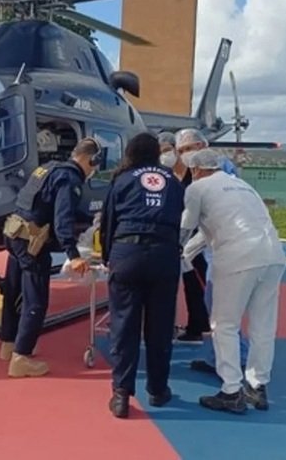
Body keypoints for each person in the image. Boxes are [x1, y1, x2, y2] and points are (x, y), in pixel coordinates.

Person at [181, 148, 286, 413]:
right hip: (273, 255)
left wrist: (175, 250)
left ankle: (231, 390)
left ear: (196, 169)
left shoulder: (197, 188)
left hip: (237, 258)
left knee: (224, 324)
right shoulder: (243, 186)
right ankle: (257, 385)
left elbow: (186, 227)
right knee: (263, 325)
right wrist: (188, 253)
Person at [99, 132, 185, 418]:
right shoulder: (172, 180)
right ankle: (158, 389)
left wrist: (108, 257)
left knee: (124, 326)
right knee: (160, 327)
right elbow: (180, 219)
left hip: (127, 253)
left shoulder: (122, 179)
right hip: (164, 254)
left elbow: (108, 221)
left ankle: (121, 394)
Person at [0, 138, 100, 377]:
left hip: (13, 233)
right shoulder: (70, 179)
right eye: (95, 165)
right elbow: (62, 219)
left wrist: (90, 217)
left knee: (13, 291)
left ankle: (9, 344)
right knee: (36, 300)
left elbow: (42, 203)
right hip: (32, 243)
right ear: (90, 160)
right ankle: (21, 358)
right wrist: (73, 255)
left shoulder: (48, 168)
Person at [175, 128, 249, 374]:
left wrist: (183, 247)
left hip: (224, 248)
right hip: (219, 247)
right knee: (215, 305)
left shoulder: (219, 171)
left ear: (201, 146)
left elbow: (201, 220)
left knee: (221, 309)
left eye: (188, 149)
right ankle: (220, 356)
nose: (184, 155)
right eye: (181, 151)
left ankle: (235, 362)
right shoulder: (203, 176)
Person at [158, 131, 210, 342]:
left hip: (197, 238)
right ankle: (183, 325)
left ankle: (200, 325)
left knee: (197, 282)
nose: (166, 156)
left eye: (168, 150)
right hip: (175, 237)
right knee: (175, 284)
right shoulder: (167, 177)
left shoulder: (196, 174)